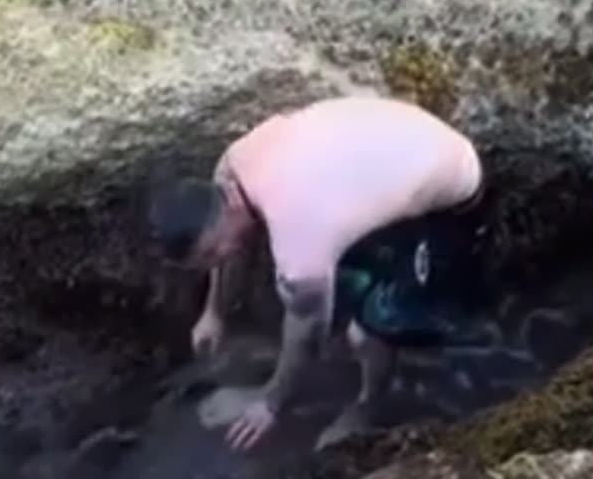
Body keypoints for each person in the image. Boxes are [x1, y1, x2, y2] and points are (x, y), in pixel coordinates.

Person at [140, 94, 488, 451]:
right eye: (207, 259)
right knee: (320, 288)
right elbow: (229, 255)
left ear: (226, 206)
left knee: (366, 329)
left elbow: (306, 332)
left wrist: (270, 403)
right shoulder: (230, 170)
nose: (221, 256)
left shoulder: (297, 231)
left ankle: (369, 403)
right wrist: (214, 313)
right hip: (385, 154)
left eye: (214, 249)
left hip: (450, 185)